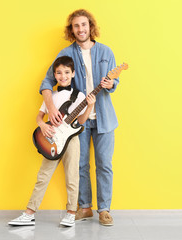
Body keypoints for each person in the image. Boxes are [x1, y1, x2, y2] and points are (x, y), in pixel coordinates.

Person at [39, 9, 119, 226]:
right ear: (71, 29)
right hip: (75, 122)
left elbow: (115, 82)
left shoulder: (106, 51)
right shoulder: (65, 52)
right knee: (80, 165)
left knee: (104, 165)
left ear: (90, 26)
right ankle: (84, 207)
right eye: (76, 25)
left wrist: (111, 84)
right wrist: (50, 108)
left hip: (104, 119)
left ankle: (104, 210)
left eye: (84, 24)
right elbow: (47, 82)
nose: (81, 29)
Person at [8, 56, 96, 227]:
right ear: (55, 75)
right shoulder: (51, 96)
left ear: (73, 74)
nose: (63, 76)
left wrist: (90, 105)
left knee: (72, 176)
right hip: (53, 140)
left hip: (71, 140)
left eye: (66, 72)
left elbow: (82, 121)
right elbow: (39, 117)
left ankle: (71, 213)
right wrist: (42, 125)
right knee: (43, 176)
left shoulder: (79, 96)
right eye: (59, 73)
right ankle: (29, 213)